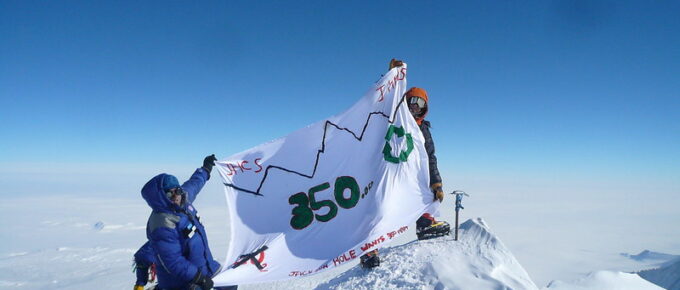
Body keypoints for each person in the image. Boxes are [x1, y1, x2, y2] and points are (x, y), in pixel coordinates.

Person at [360, 59, 450, 269]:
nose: (415, 107)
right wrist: (390, 78)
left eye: (420, 103)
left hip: (410, 173)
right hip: (387, 170)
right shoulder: (392, 118)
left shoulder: (424, 129)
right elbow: (381, 102)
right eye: (411, 101)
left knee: (427, 195)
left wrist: (436, 182)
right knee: (380, 207)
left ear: (425, 107)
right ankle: (368, 249)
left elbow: (430, 157)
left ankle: (425, 224)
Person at [142, 154, 237, 290]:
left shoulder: (183, 200)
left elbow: (195, 183)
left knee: (230, 283)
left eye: (178, 190)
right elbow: (173, 262)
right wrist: (200, 278)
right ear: (160, 197)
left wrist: (206, 168)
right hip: (181, 280)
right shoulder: (162, 223)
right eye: (169, 193)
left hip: (204, 265)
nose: (176, 196)